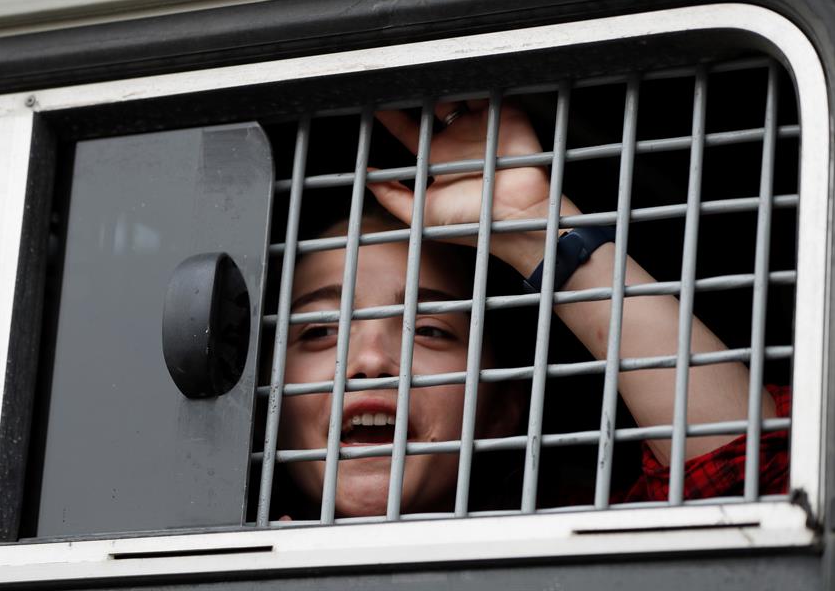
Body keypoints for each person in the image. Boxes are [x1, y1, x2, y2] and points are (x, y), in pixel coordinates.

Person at [273, 98, 790, 520]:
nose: (367, 361)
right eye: (318, 330)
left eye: (428, 330)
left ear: (503, 409)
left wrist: (530, 227)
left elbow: (754, 481)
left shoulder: (580, 549)